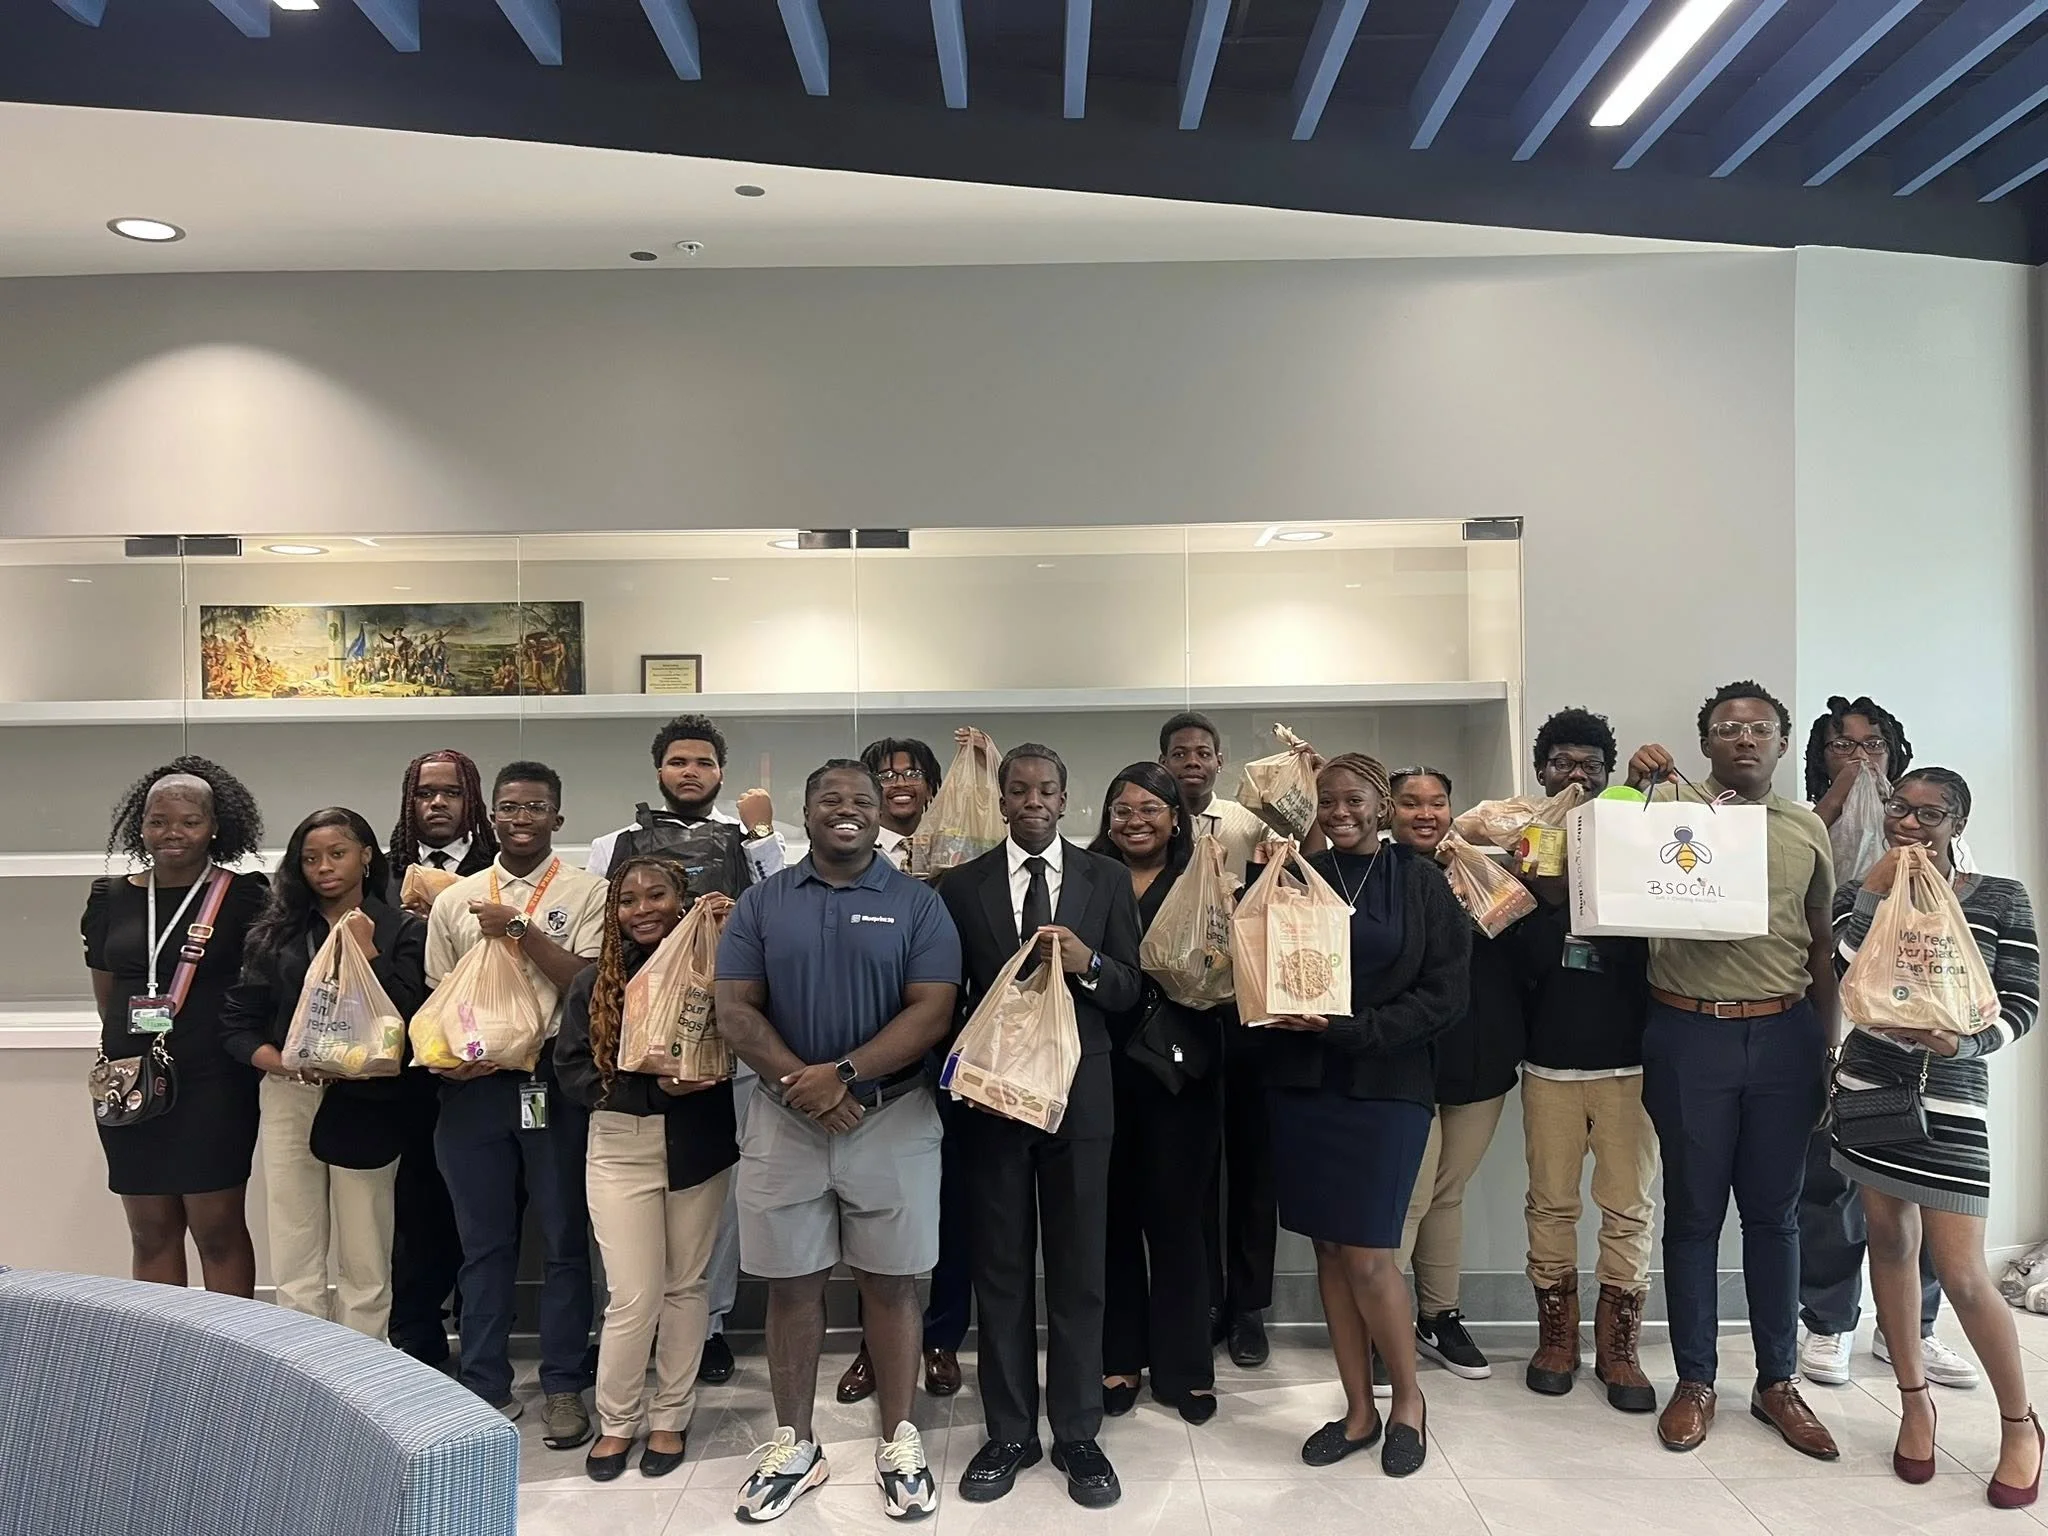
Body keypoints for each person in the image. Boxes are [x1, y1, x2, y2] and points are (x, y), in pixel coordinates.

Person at [713, 760, 962, 1524]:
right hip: (784, 1121)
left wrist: (846, 1076)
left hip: (892, 1120)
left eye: (862, 800)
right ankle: (797, 1444)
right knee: (792, 1285)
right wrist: (807, 1085)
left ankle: (899, 1439)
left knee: (892, 1284)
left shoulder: (917, 904)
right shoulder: (762, 903)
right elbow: (736, 1012)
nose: (847, 811)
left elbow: (933, 1011)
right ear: (807, 810)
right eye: (831, 799)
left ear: (881, 813)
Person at [1627, 681, 1840, 1460]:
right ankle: (1696, 1380)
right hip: (1690, 1034)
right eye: (1727, 730)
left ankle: (1777, 1382)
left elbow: (1820, 940)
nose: (1744, 740)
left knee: (1776, 1218)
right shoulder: (1664, 815)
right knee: (1691, 1216)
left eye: (1760, 729)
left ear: (1784, 744)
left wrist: (1827, 1043)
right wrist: (1636, 780)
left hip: (1785, 1035)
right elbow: (1606, 864)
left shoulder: (1807, 829)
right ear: (1707, 744)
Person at [1829, 768, 2042, 1506]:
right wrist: (1870, 894)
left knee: (1961, 1272)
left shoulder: (1999, 897)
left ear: (1958, 822)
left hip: (1952, 1098)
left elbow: (2020, 1001)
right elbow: (1846, 974)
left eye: (1931, 813)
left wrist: (1961, 1047)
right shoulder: (1865, 887)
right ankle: (1914, 1401)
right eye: (1900, 808)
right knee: (1886, 1243)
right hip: (1868, 1086)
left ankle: (2020, 1424)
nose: (1911, 823)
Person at [940, 743, 1143, 1509]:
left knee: (1079, 1266)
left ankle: (1079, 1430)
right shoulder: (962, 887)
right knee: (998, 1265)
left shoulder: (1105, 878)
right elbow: (946, 995)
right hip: (994, 1100)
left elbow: (1131, 991)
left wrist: (1089, 963)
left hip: (1081, 1097)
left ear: (1065, 800)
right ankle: (1008, 1430)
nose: (1032, 800)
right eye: (1018, 789)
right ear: (1000, 801)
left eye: (1046, 789)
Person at [1261, 753, 1467, 1478]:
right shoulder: (1290, 877)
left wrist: (1351, 1029)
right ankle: (1357, 1410)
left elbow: (1446, 997)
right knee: (1327, 1250)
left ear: (1381, 805)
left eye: (1354, 801)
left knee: (1371, 1255)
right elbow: (1261, 967)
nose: (1340, 812)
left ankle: (1407, 1400)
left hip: (1385, 1085)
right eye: (1326, 802)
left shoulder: (1420, 882)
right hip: (1302, 1086)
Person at [588, 713, 784, 1387]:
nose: (690, 772)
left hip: (726, 1030)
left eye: (702, 762)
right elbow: (599, 940)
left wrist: (761, 837)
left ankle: (711, 1326)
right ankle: (625, 1329)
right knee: (628, 1206)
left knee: (714, 1198)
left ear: (720, 772)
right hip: (638, 1045)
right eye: (678, 762)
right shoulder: (613, 843)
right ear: (659, 771)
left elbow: (781, 913)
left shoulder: (752, 840)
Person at [425, 761, 608, 1445]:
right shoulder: (456, 898)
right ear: (491, 817)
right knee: (483, 1244)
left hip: (555, 1085)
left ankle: (564, 1384)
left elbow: (587, 982)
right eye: (509, 806)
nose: (521, 818)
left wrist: (519, 930)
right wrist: (459, 1058)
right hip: (472, 1090)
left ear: (557, 817)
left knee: (564, 1241)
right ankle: (483, 1384)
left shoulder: (589, 892)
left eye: (536, 806)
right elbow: (442, 995)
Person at [1795, 699, 1971, 1391]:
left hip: (1925, 1052)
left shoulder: (1943, 846)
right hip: (1837, 1036)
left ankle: (1913, 1331)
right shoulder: (1806, 826)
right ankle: (1828, 1322)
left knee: (1923, 1192)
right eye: (1844, 746)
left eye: (1873, 745)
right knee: (1832, 1187)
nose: (1861, 756)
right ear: (1822, 756)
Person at [553, 856, 738, 1483]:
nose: (642, 909)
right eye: (627, 900)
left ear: (681, 900)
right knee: (632, 1293)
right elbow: (575, 1074)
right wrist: (656, 1094)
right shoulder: (593, 984)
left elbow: (740, 1042)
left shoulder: (713, 971)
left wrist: (733, 933)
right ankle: (616, 1421)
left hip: (699, 1145)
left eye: (656, 895)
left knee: (687, 1285)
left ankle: (671, 1415)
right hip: (620, 1145)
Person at [220, 808, 428, 1339]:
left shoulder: (402, 927)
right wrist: (283, 1062)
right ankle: (305, 1371)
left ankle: (363, 1375)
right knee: (295, 1241)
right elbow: (239, 1023)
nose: (324, 868)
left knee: (365, 1247)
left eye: (337, 854)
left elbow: (410, 1018)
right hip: (291, 1093)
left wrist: (367, 953)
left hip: (367, 1098)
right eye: (310, 858)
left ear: (365, 856)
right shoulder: (277, 932)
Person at [1502, 711, 1657, 1413]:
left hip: (1631, 1064)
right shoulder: (1514, 849)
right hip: (1549, 1065)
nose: (1576, 775)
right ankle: (1556, 1339)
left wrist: (1637, 812)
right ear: (1542, 772)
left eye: (1590, 766)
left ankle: (1619, 1347)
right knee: (1550, 1205)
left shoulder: (1639, 847)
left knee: (1627, 1208)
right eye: (1563, 763)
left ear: (1606, 775)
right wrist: (1537, 880)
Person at [83, 758, 270, 1295]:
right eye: (158, 821)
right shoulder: (109, 898)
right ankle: (168, 1363)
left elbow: (258, 990)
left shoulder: (243, 896)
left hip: (213, 1083)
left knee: (218, 1231)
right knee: (150, 1232)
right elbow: (107, 993)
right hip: (128, 1081)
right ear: (139, 826)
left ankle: (231, 1364)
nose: (173, 833)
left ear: (214, 826)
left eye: (189, 821)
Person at [837, 734, 972, 1406]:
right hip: (876, 1056)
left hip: (960, 1056)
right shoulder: (845, 861)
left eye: (911, 772)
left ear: (934, 785)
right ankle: (875, 1345)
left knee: (954, 1205)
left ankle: (942, 1336)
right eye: (883, 774)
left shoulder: (969, 851)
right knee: (876, 1211)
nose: (898, 783)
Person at [1092, 762, 1222, 1424]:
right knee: (1110, 1224)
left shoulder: (1205, 878)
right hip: (1097, 1073)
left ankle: (1186, 1366)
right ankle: (1119, 1357)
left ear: (1177, 817)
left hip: (1182, 1075)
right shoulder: (1087, 878)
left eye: (1149, 808)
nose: (1134, 820)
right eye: (1121, 809)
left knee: (1179, 1225)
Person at [1385, 766, 1521, 1385]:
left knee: (1448, 1192)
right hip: (1404, 1058)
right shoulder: (1374, 873)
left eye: (1437, 802)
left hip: (1479, 1058)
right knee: (1405, 1196)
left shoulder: (1480, 866)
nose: (1425, 812)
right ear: (1387, 811)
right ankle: (1379, 1327)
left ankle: (1437, 1317)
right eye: (1410, 802)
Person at [1159, 710, 1274, 1368]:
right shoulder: (1152, 822)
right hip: (1181, 1014)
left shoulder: (1245, 823)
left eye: (1203, 753)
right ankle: (1203, 1298)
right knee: (1194, 1166)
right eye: (1180, 754)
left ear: (1219, 762)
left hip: (1248, 1010)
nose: (1192, 763)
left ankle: (1249, 1307)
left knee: (1254, 1166)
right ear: (1166, 762)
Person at [385, 748, 497, 1368]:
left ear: (470, 799)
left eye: (451, 793)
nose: (437, 803)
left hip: (486, 1065)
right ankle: (419, 1346)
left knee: (488, 1218)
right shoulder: (382, 868)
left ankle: (487, 1345)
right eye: (426, 792)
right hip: (407, 1075)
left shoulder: (497, 869)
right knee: (417, 1215)